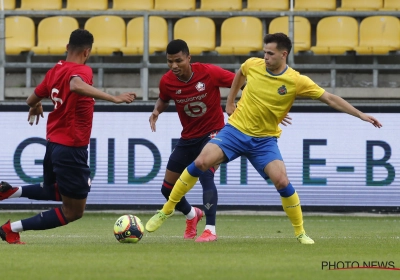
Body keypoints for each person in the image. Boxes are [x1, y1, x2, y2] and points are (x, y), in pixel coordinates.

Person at [145, 33, 382, 244]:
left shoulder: (296, 81)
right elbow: (240, 74)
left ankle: (300, 233)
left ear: (283, 54)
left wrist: (360, 114)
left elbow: (329, 98)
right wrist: (229, 102)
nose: (265, 57)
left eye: (270, 53)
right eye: (264, 52)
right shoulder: (253, 65)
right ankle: (166, 211)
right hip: (235, 132)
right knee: (200, 163)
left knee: (281, 181)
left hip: (264, 141)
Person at [0, 29, 137, 244]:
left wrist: (36, 104)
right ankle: (10, 228)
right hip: (72, 147)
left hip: (53, 145)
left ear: (66, 47)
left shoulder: (55, 71)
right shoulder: (82, 71)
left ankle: (10, 192)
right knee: (74, 210)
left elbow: (30, 99)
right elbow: (75, 84)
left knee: (57, 190)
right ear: (87, 52)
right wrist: (113, 98)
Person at [149, 39, 241, 242]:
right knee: (167, 189)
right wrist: (157, 110)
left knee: (205, 176)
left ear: (189, 58)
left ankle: (210, 230)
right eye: (170, 62)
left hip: (214, 135)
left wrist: (233, 101)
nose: (174, 66)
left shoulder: (208, 72)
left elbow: (240, 81)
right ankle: (192, 215)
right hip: (188, 138)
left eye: (178, 61)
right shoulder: (167, 81)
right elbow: (164, 98)